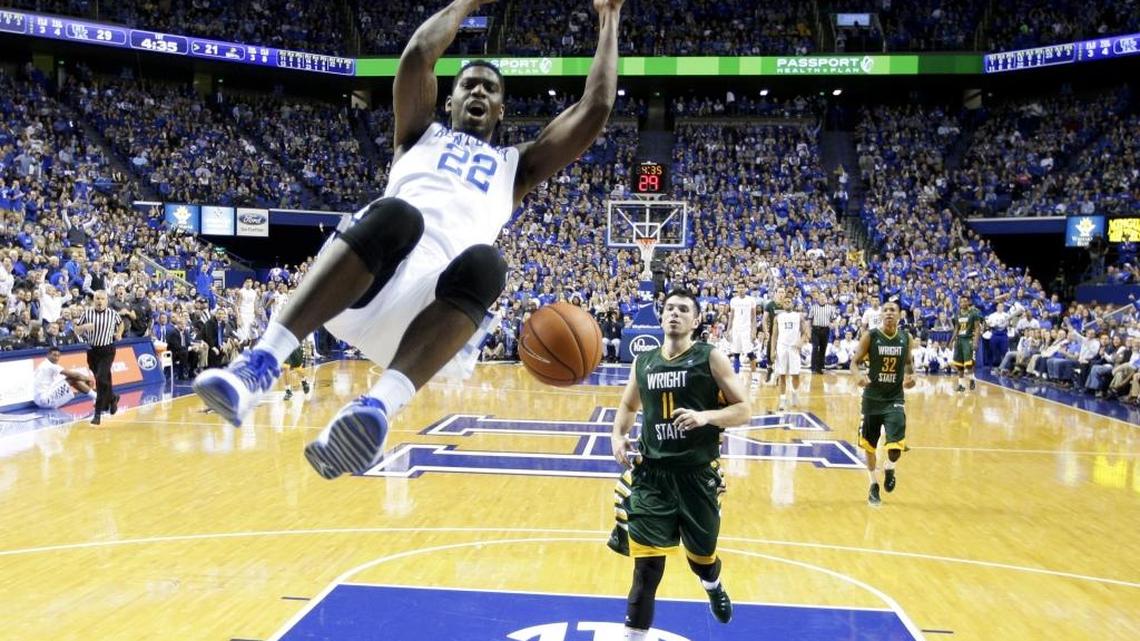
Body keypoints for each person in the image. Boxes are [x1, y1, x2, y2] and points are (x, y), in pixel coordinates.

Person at [194, 0, 625, 480]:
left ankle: (377, 408)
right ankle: (259, 366)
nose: (478, 90)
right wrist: (465, 4)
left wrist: (609, 18)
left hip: (429, 318)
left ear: (501, 110)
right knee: (399, 214)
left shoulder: (516, 167)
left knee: (489, 263)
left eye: (490, 88)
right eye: (468, 84)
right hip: (363, 284)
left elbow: (595, 108)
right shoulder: (418, 134)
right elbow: (419, 54)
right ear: (450, 98)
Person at [606, 289, 750, 638]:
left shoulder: (710, 357)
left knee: (701, 561)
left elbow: (744, 409)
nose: (674, 313)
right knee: (647, 570)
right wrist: (617, 435)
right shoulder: (644, 362)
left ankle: (713, 586)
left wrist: (706, 417)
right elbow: (628, 407)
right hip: (653, 475)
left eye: (683, 309)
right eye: (669, 308)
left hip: (697, 475)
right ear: (661, 316)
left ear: (696, 321)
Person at [850, 297, 915, 506]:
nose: (888, 313)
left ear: (898, 315)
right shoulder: (871, 336)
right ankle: (873, 485)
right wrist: (858, 377)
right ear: (881, 315)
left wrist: (911, 377)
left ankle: (889, 467)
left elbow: (908, 364)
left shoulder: (906, 338)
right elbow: (854, 362)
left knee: (895, 447)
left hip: (894, 398)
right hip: (872, 398)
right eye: (885, 310)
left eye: (892, 310)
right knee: (869, 445)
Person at [75, 290, 123, 425]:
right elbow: (76, 329)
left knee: (102, 378)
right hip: (92, 350)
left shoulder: (112, 314)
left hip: (107, 349)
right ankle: (113, 398)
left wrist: (119, 333)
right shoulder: (87, 313)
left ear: (106, 301)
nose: (99, 301)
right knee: (102, 379)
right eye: (97, 298)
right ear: (93, 300)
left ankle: (98, 413)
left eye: (102, 298)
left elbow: (121, 323)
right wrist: (84, 327)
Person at [773, 290, 808, 411]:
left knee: (795, 374)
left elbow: (805, 333)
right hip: (781, 347)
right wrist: (772, 350)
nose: (788, 303)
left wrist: (801, 341)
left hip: (794, 348)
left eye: (790, 301)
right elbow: (774, 335)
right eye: (786, 301)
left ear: (793, 303)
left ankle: (794, 394)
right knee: (782, 375)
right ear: (782, 304)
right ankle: (782, 400)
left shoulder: (799, 316)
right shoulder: (778, 317)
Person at [950, 294, 983, 392]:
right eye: (961, 301)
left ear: (968, 302)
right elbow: (956, 328)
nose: (963, 303)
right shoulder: (957, 313)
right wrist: (951, 340)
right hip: (959, 340)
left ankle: (972, 379)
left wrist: (975, 342)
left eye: (965, 301)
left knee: (968, 364)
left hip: (968, 339)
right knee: (959, 365)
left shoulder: (974, 313)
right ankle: (961, 385)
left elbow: (977, 328)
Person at [727, 283, 756, 374]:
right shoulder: (733, 300)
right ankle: (736, 376)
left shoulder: (751, 300)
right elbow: (731, 316)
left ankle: (754, 376)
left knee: (750, 353)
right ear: (737, 289)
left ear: (746, 289)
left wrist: (754, 331)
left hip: (747, 329)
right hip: (736, 329)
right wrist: (728, 330)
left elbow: (753, 317)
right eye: (739, 287)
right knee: (736, 354)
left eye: (742, 287)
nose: (741, 289)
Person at [808, 294, 836, 374]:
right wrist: (808, 331)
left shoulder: (830, 308)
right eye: (821, 297)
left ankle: (820, 368)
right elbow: (809, 320)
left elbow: (834, 320)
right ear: (818, 299)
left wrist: (836, 329)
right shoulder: (813, 307)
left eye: (824, 297)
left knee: (823, 349)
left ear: (826, 299)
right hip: (815, 330)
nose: (822, 299)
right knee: (815, 348)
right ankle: (813, 368)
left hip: (825, 330)